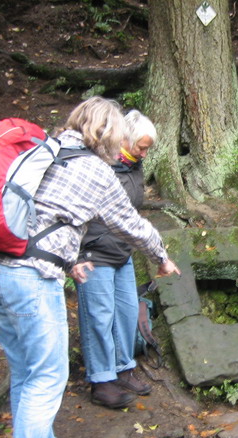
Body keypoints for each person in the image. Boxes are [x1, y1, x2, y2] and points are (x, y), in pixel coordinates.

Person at [0, 97, 181, 438]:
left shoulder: (41, 153)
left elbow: (32, 218)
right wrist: (162, 256)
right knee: (47, 377)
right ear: (110, 133)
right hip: (27, 280)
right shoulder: (94, 169)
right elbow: (129, 223)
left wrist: (66, 261)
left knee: (26, 374)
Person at [71, 110, 156, 409]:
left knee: (125, 311)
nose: (144, 153)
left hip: (122, 252)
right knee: (99, 315)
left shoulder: (134, 166)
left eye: (147, 148)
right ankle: (101, 380)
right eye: (141, 147)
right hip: (94, 253)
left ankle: (123, 368)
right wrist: (79, 253)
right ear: (124, 139)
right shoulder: (99, 165)